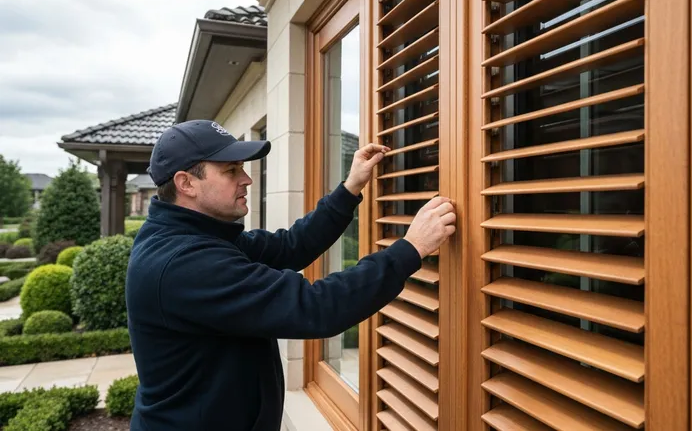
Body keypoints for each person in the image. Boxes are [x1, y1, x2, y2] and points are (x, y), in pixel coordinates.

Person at [125, 120, 456, 431]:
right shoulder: (184, 262)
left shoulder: (199, 237)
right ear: (186, 183)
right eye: (231, 170)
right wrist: (411, 248)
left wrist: (350, 188)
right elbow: (315, 307)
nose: (247, 179)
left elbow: (289, 247)